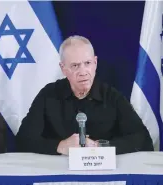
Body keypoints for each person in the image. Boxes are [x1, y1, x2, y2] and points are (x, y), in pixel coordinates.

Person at [15, 35, 153, 155]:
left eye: (87, 63)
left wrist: (100, 147)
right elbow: (23, 140)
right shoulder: (48, 95)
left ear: (95, 63)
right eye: (75, 66)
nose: (83, 72)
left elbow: (142, 139)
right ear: (63, 69)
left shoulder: (111, 96)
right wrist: (60, 146)